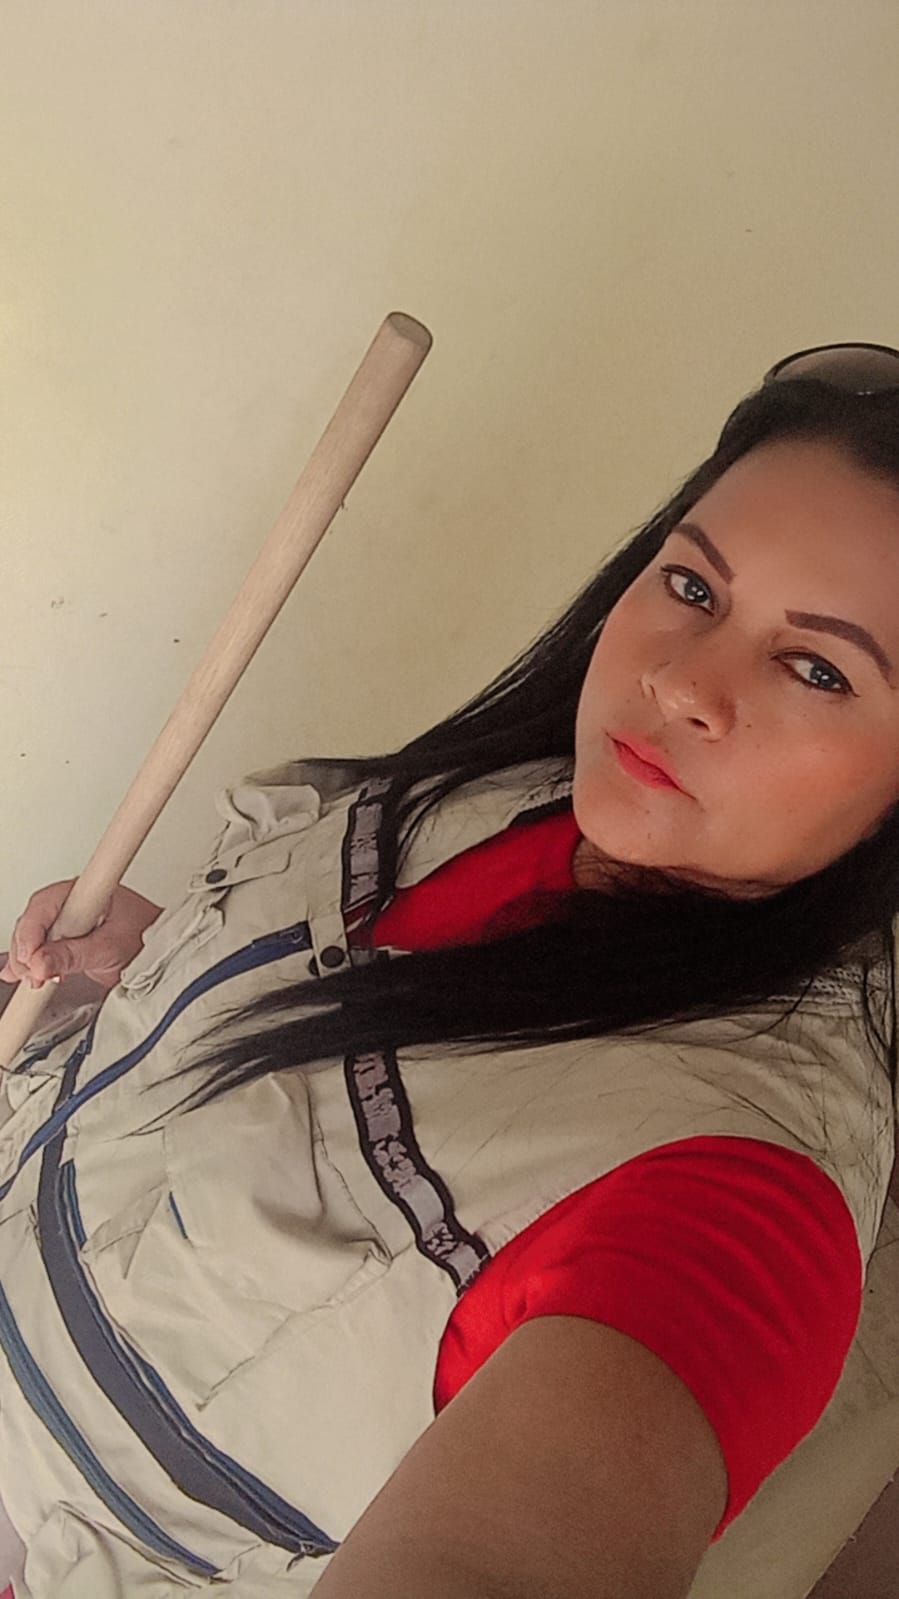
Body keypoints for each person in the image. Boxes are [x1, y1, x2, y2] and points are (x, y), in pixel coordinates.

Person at [1, 342, 898, 1599]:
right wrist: (159, 969)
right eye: (693, 585)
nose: (677, 681)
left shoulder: (736, 1206)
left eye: (817, 669)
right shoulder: (521, 792)